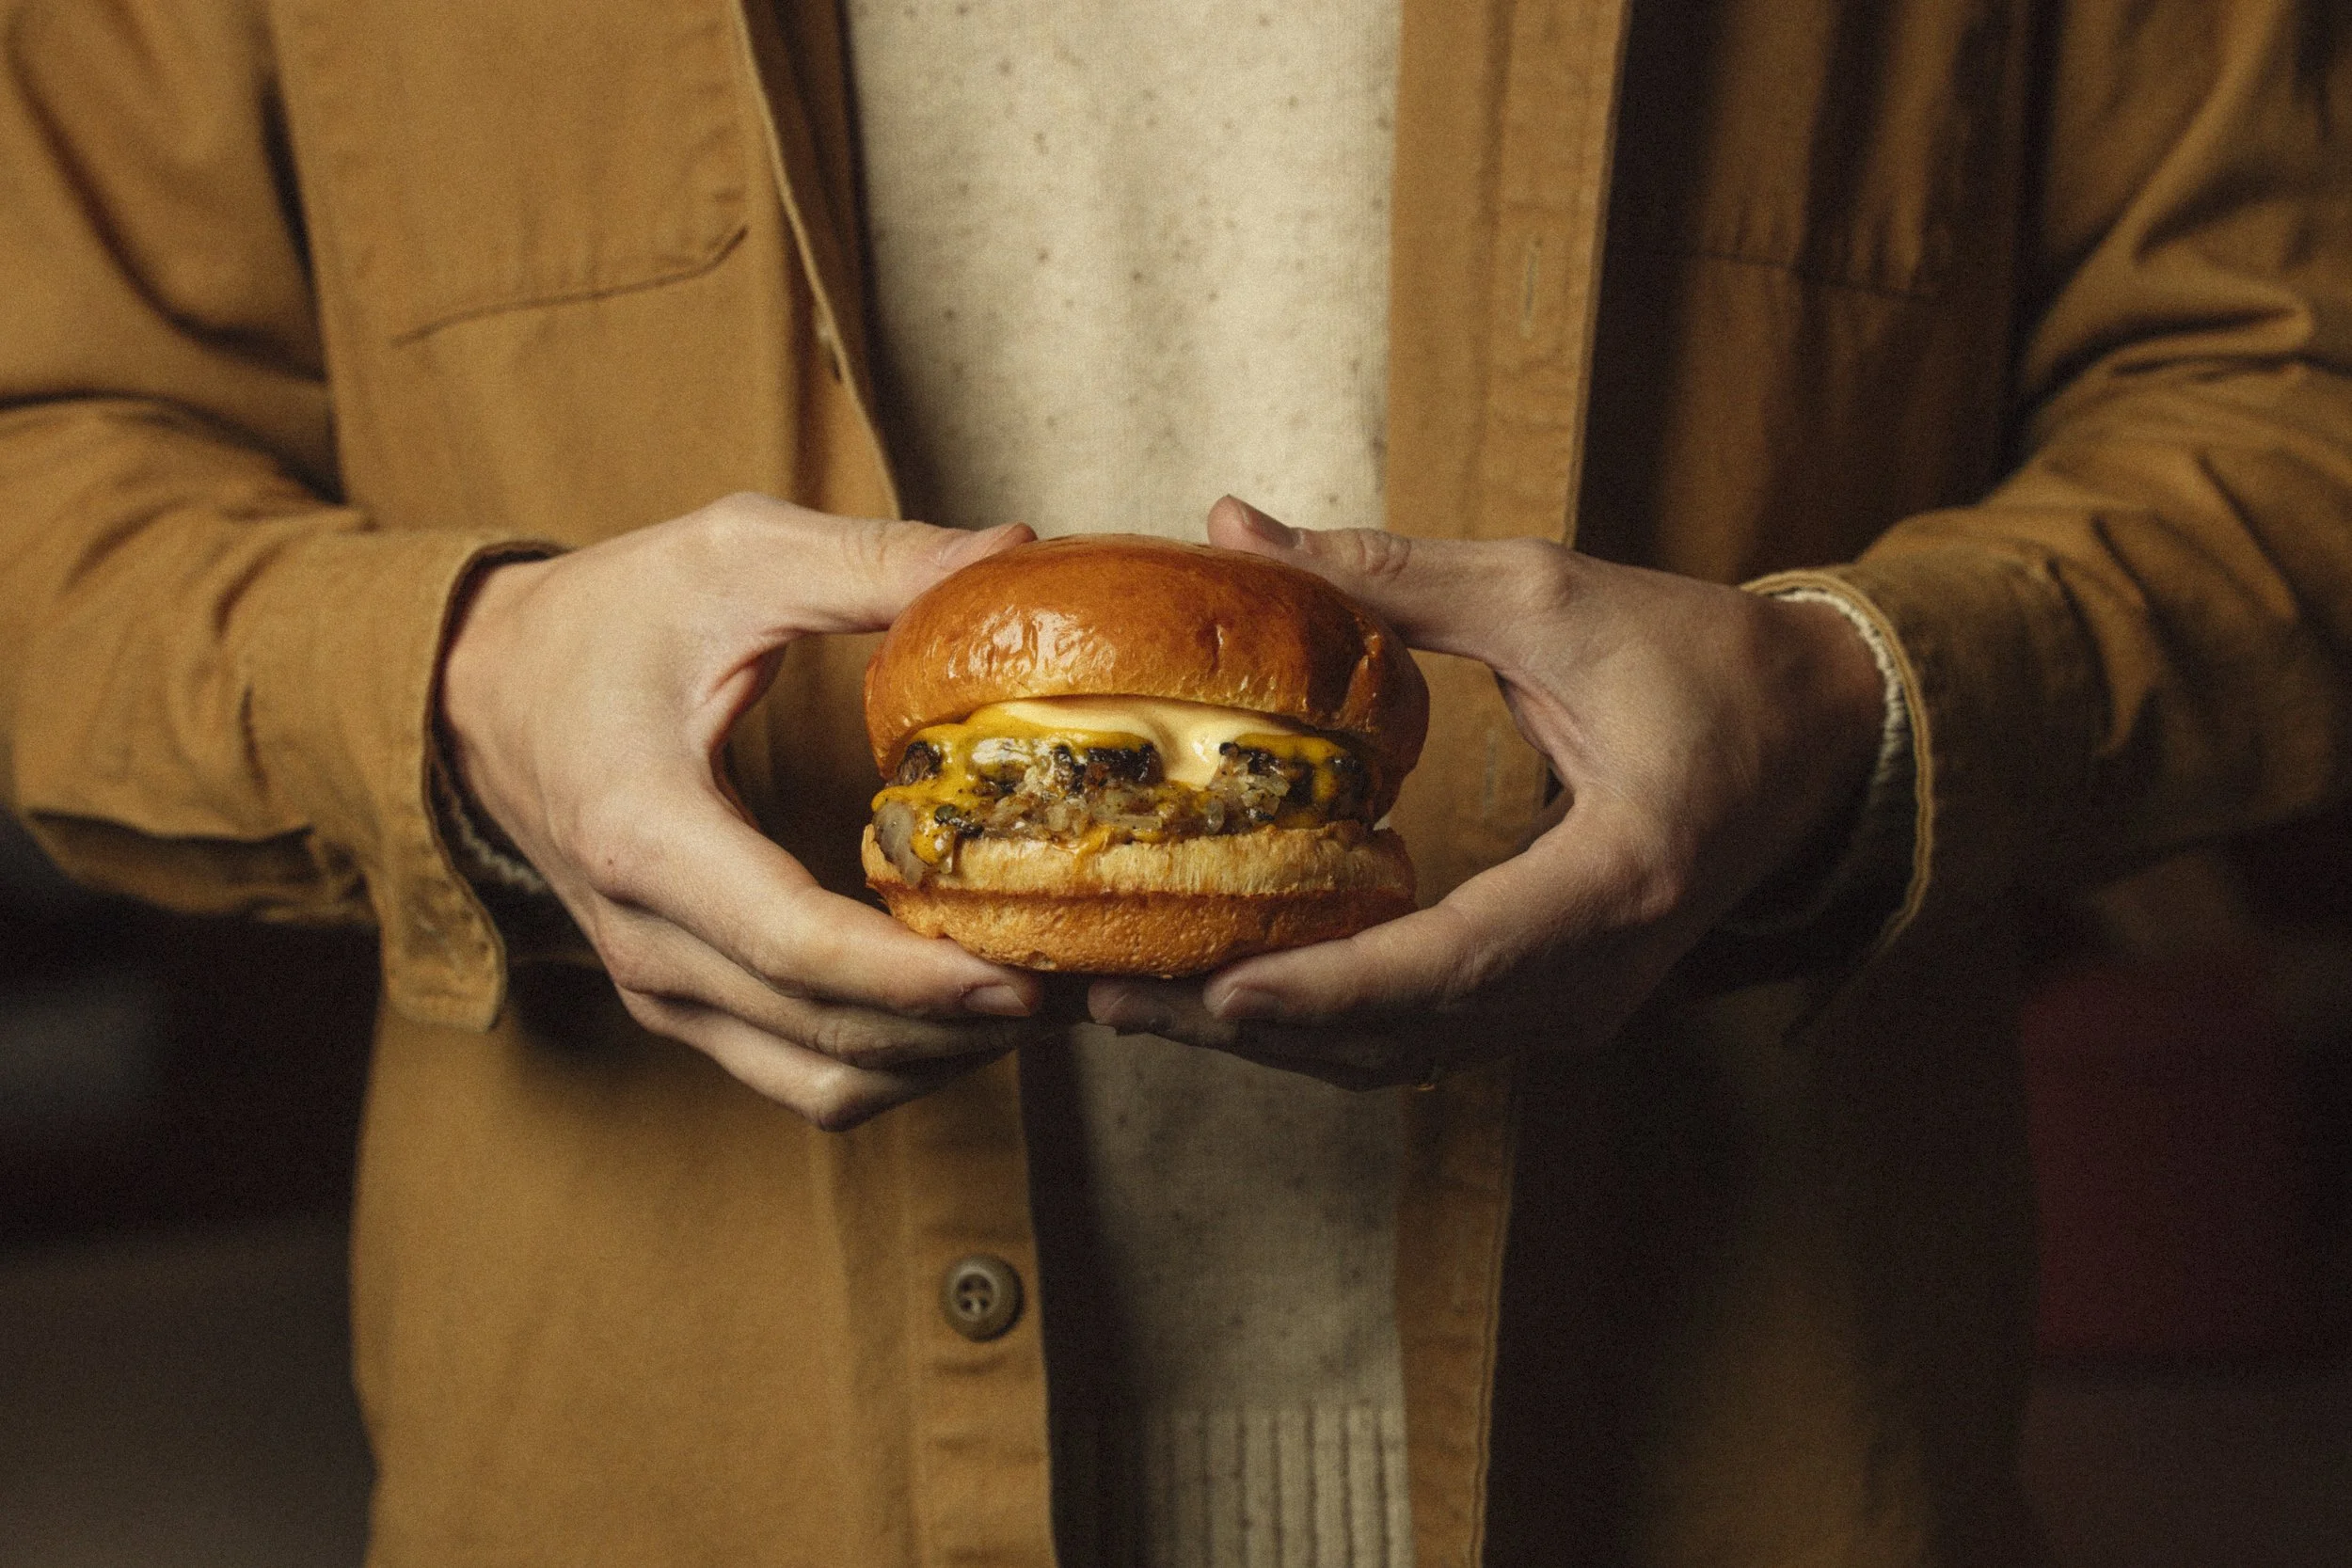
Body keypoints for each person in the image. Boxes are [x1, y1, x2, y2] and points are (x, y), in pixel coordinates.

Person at [2, 0, 2345, 1564]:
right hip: (662, 1456)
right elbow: (48, 471)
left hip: (1725, 1424)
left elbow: (2283, 408)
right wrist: (463, 680)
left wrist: (1854, 702)